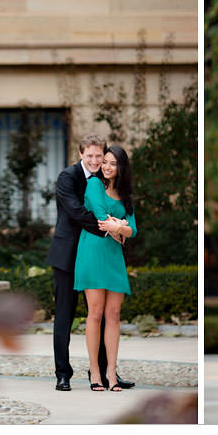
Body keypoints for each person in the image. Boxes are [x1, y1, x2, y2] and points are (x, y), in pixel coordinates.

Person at [45, 134, 127, 392]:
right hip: (68, 255)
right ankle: (62, 374)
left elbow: (118, 207)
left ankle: (104, 373)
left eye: (98, 156)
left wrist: (119, 225)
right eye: (89, 156)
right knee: (65, 316)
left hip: (95, 256)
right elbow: (77, 213)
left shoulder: (106, 180)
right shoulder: (67, 177)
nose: (94, 160)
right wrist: (112, 228)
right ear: (81, 154)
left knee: (101, 315)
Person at [74, 145, 136, 391]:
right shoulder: (94, 185)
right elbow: (101, 220)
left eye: (113, 163)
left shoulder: (126, 194)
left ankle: (112, 373)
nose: (108, 167)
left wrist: (120, 227)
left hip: (114, 257)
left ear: (121, 167)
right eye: (105, 162)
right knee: (95, 314)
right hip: (93, 251)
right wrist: (121, 226)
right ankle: (95, 373)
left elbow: (134, 228)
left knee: (114, 315)